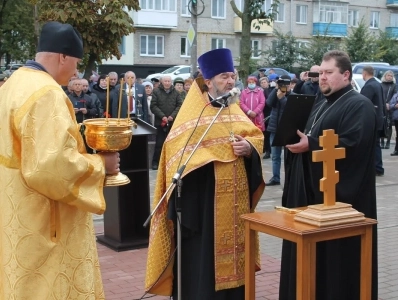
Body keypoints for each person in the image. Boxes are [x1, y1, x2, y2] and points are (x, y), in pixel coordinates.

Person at [0, 21, 120, 299]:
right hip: (44, 221)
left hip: (15, 208)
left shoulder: (12, 85)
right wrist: (101, 165)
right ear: (62, 56)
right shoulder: (47, 93)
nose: (77, 70)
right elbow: (51, 166)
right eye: (76, 62)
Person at [145, 48, 265, 299]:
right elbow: (175, 150)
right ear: (208, 81)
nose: (231, 81)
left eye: (232, 76)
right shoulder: (195, 113)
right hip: (202, 202)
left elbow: (254, 137)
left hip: (237, 200)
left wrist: (249, 149)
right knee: (204, 258)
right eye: (224, 76)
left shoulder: (235, 109)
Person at [281, 50, 378, 300]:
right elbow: (308, 134)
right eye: (320, 73)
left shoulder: (359, 105)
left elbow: (352, 146)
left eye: (328, 73)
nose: (322, 78)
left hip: (341, 203)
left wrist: (311, 145)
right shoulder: (322, 101)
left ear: (346, 75)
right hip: (312, 199)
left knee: (337, 267)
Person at [150, 75, 183, 170]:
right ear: (162, 82)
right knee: (159, 144)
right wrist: (162, 116)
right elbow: (153, 106)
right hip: (160, 122)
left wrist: (172, 116)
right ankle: (155, 162)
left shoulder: (176, 92)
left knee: (172, 143)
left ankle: (171, 162)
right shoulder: (156, 91)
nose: (167, 83)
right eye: (165, 81)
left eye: (169, 81)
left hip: (172, 122)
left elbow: (179, 105)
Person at [265, 75, 292, 186]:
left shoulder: (293, 95)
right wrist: (276, 89)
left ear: (290, 84)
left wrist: (283, 98)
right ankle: (276, 178)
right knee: (275, 156)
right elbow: (268, 103)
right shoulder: (276, 93)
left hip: (286, 130)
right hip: (274, 129)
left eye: (286, 84)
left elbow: (290, 109)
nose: (284, 86)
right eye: (282, 83)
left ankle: (289, 178)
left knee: (287, 157)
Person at [360, 65, 385, 176]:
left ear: (365, 73)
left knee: (373, 145)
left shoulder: (369, 86)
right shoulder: (378, 84)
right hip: (379, 118)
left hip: (372, 120)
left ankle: (376, 168)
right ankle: (378, 167)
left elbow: (362, 103)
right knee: (376, 144)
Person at [380, 70, 397, 149]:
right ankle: (382, 141)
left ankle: (388, 142)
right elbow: (379, 95)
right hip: (382, 107)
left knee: (389, 125)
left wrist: (389, 104)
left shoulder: (394, 86)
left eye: (391, 76)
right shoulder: (381, 85)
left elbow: (395, 96)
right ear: (385, 76)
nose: (389, 77)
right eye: (388, 75)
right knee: (382, 124)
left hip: (390, 107)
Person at [389, 90, 398, 156]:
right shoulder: (396, 95)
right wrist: (396, 106)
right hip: (397, 118)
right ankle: (397, 149)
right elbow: (390, 106)